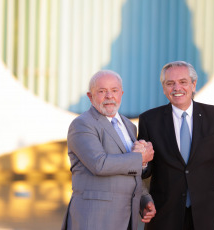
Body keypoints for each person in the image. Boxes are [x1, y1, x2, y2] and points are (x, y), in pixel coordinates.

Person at [138, 61, 214, 230]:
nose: (177, 88)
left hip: (209, 217)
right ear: (164, 88)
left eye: (183, 82)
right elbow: (146, 170)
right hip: (165, 217)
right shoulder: (149, 120)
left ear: (193, 85)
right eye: (170, 83)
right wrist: (142, 161)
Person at [61, 70, 156, 230]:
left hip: (127, 218)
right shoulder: (82, 125)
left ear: (121, 94)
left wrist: (144, 199)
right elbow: (99, 164)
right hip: (94, 219)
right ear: (90, 97)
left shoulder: (129, 126)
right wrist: (141, 158)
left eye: (114, 90)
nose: (109, 96)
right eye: (102, 91)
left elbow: (129, 169)